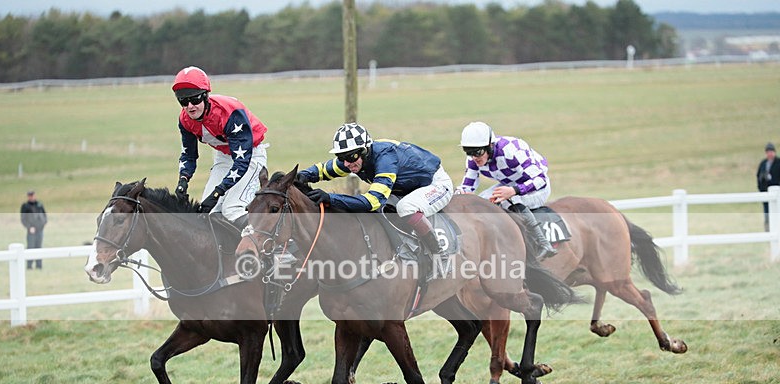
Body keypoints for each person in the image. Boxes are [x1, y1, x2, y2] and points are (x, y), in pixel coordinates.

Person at [297, 123, 453, 256]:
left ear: (365, 151)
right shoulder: (353, 159)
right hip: (405, 189)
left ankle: (439, 254)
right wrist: (301, 176)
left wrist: (331, 198)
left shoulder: (385, 158)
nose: (346, 163)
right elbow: (323, 170)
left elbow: (373, 201)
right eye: (340, 156)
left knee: (406, 207)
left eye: (350, 157)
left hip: (435, 184)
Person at [172, 66, 268, 226]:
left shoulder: (230, 113)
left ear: (206, 96)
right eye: (183, 101)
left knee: (232, 209)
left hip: (250, 155)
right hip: (224, 156)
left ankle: (273, 242)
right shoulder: (185, 120)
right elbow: (189, 156)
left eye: (195, 99)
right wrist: (183, 180)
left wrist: (219, 191)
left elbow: (241, 161)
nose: (190, 106)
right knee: (207, 212)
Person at [457, 121, 556, 260]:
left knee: (508, 201)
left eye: (477, 152)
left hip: (536, 187)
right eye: (468, 152)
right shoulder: (473, 159)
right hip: (509, 184)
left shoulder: (511, 150)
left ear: (490, 146)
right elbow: (467, 187)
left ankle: (543, 243)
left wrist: (514, 190)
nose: (474, 157)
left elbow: (540, 180)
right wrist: (458, 193)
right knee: (480, 202)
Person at [20, 190, 47, 269]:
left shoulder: (39, 205)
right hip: (31, 230)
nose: (31, 197)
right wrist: (29, 227)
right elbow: (23, 219)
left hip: (40, 229)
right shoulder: (25, 206)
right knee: (30, 247)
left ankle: (39, 265)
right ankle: (29, 266)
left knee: (39, 247)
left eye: (32, 195)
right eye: (30, 195)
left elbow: (44, 215)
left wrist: (43, 224)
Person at [757, 142, 780, 231]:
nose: (769, 154)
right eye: (768, 152)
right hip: (765, 194)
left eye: (771, 151)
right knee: (767, 215)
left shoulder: (778, 163)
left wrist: (771, 179)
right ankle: (768, 233)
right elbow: (758, 176)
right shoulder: (763, 163)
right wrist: (761, 186)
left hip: (777, 194)